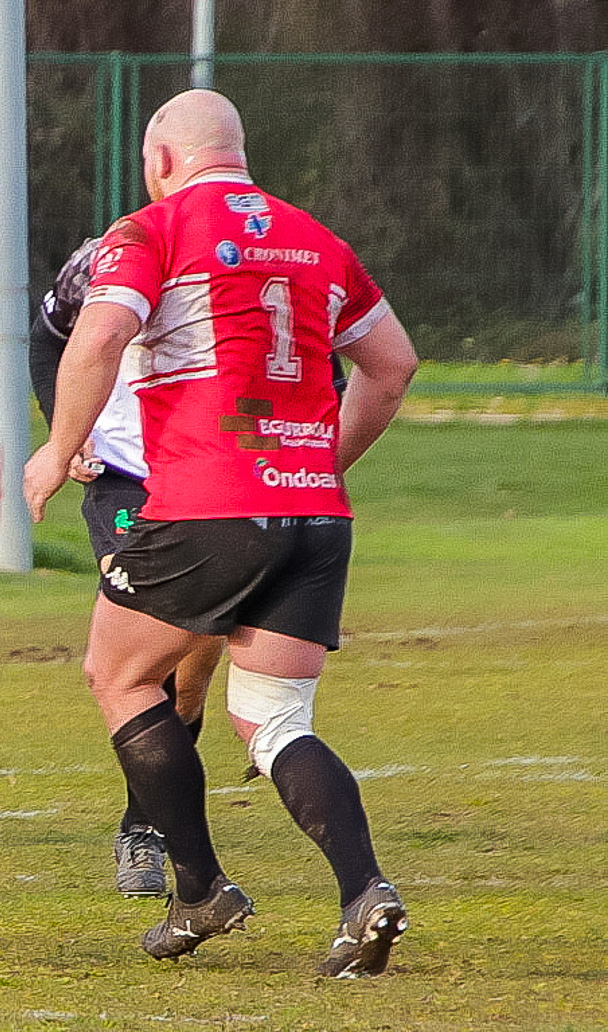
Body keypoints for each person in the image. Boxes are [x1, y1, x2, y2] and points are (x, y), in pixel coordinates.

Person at [23, 89, 420, 978]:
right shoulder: (316, 240)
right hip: (314, 513)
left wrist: (56, 451)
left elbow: (93, 342)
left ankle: (199, 887)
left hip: (209, 500)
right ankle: (364, 891)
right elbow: (392, 367)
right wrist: (321, 460)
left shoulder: (152, 229)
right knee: (273, 717)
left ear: (162, 159)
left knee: (119, 673)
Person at [27, 235, 223, 899]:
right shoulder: (105, 256)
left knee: (195, 668)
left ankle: (156, 817)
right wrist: (66, 432)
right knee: (146, 654)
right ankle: (143, 830)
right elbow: (47, 339)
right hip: (124, 481)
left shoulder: (232, 260)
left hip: (210, 484)